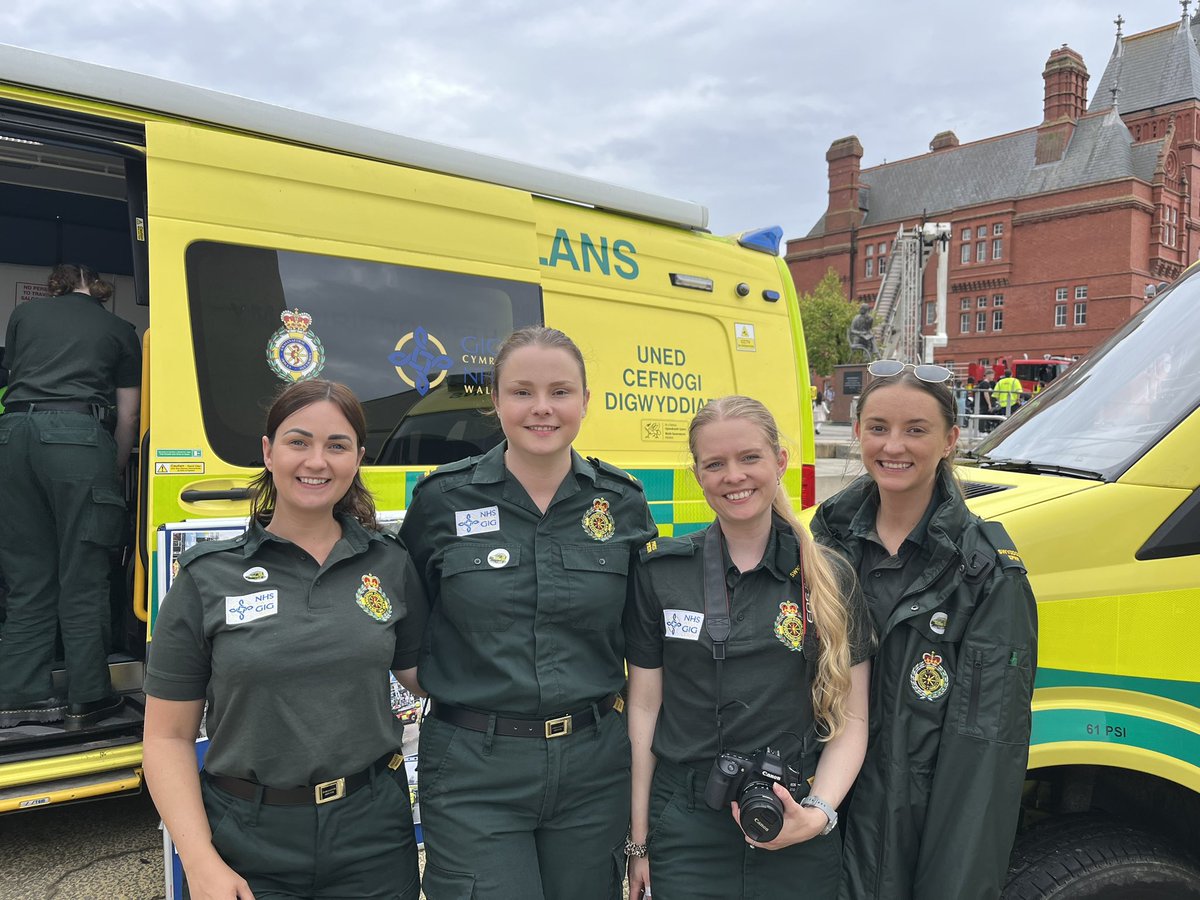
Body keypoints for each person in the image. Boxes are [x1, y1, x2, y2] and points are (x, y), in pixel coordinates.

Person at [142, 379, 427, 900]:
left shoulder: (390, 563)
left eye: (336, 446)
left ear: (358, 459)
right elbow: (166, 738)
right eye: (299, 442)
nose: (317, 461)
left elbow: (427, 676)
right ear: (269, 452)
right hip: (248, 837)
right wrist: (200, 862)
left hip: (373, 834)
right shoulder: (206, 578)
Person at [401, 325, 657, 899]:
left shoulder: (621, 502)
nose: (542, 408)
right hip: (475, 768)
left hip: (593, 766)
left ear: (586, 402)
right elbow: (408, 630)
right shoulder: (443, 498)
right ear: (495, 401)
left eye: (561, 392)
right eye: (522, 392)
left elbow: (641, 643)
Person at [624, 396, 871, 900]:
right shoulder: (661, 574)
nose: (733, 476)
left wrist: (818, 815)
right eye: (715, 464)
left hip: (793, 814)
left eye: (749, 458)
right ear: (698, 474)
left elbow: (854, 720)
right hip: (686, 823)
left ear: (780, 461)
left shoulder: (829, 576)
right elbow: (645, 709)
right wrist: (640, 841)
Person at [810, 360, 1038, 900]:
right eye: (879, 427)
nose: (894, 446)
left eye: (916, 430)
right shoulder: (820, 547)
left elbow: (985, 758)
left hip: (918, 837)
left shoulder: (986, 573)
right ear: (858, 432)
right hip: (818, 826)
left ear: (950, 440)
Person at [0, 264, 140, 730]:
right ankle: (89, 697)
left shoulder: (23, 317)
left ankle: (20, 696)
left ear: (55, 285)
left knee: (26, 576)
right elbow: (127, 415)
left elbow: (15, 377)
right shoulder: (120, 329)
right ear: (99, 287)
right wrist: (114, 466)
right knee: (83, 574)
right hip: (77, 440)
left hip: (12, 437)